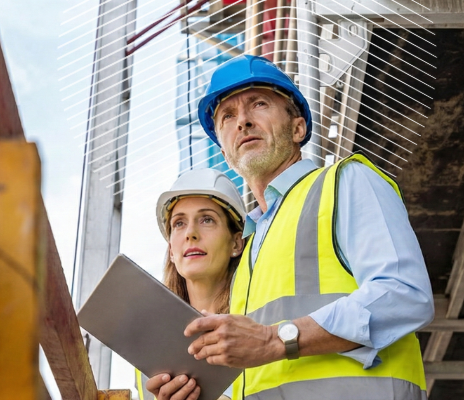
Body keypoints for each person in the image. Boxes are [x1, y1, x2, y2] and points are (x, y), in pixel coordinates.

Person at [147, 55, 434, 399]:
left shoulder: (343, 182)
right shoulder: (249, 253)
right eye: (228, 116)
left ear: (298, 128)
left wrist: (276, 339)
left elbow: (405, 295)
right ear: (225, 152)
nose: (243, 122)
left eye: (259, 104)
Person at [136, 169, 246, 400]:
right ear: (171, 252)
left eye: (207, 219)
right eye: (179, 223)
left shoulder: (259, 326)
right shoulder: (149, 345)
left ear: (236, 243)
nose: (191, 233)